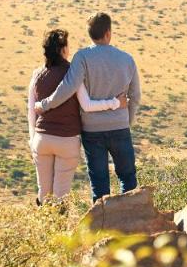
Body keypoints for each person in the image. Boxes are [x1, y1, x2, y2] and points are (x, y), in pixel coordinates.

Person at [35, 12, 141, 200]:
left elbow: (67, 87)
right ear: (108, 33)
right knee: (128, 178)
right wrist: (127, 121)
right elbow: (135, 96)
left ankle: (101, 225)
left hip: (92, 131)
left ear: (89, 33)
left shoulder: (82, 57)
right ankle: (130, 221)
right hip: (120, 127)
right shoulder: (127, 59)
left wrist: (45, 104)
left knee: (99, 184)